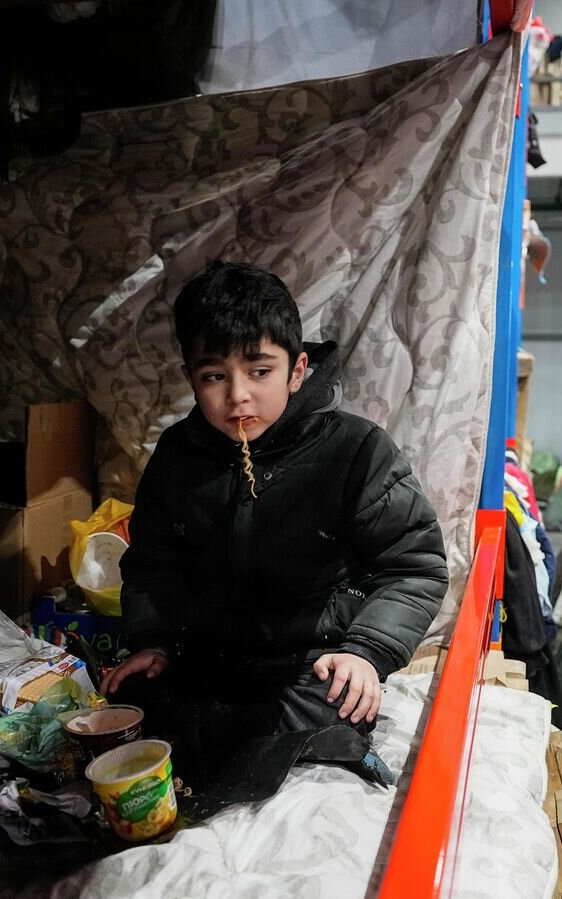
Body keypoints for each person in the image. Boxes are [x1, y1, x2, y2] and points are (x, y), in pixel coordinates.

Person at [104, 262, 448, 742]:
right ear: (190, 378)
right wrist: (152, 641)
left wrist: (364, 652)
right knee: (125, 707)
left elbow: (414, 567)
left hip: (311, 663)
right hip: (206, 661)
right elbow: (152, 565)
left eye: (260, 371)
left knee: (330, 716)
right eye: (214, 376)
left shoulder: (357, 449)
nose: (238, 396)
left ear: (297, 370)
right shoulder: (178, 454)